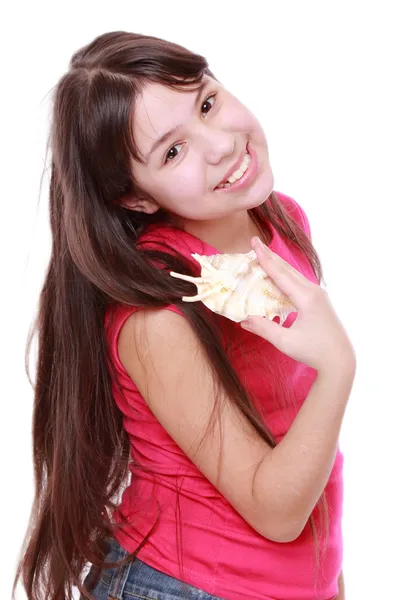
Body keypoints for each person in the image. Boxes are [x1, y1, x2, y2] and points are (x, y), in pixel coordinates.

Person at [13, 30, 355, 600]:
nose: (220, 145)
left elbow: (301, 440)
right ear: (135, 197)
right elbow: (276, 513)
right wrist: (339, 366)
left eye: (206, 102)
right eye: (172, 152)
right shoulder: (156, 315)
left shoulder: (277, 220)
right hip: (181, 585)